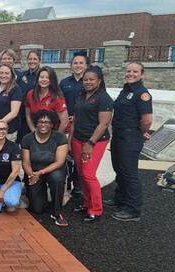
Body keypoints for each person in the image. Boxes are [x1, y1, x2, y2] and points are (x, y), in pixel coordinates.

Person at [103, 62, 153, 222]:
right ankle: (121, 198)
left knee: (130, 173)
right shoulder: (126, 90)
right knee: (119, 168)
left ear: (142, 75)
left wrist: (140, 132)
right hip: (119, 136)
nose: (131, 74)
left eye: (135, 71)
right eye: (128, 71)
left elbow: (147, 119)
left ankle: (133, 209)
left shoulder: (142, 93)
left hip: (130, 137)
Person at [69, 66, 113, 223]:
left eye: (91, 79)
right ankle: (86, 203)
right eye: (85, 79)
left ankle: (96, 209)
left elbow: (104, 124)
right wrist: (70, 141)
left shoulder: (104, 98)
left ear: (99, 81)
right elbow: (75, 120)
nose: (87, 82)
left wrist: (90, 143)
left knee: (88, 174)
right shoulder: (82, 95)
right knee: (81, 174)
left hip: (94, 142)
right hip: (77, 139)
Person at [21, 110, 69, 227]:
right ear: (36, 123)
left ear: (52, 124)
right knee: (37, 208)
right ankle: (34, 192)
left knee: (57, 178)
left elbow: (60, 162)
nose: (43, 124)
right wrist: (31, 175)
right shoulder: (28, 138)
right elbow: (25, 161)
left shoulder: (59, 137)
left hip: (53, 170)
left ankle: (57, 213)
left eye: (47, 122)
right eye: (41, 122)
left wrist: (41, 172)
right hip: (34, 172)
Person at [60, 51, 90, 197]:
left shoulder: (90, 82)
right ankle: (67, 182)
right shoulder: (64, 83)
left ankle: (78, 185)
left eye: (81, 63)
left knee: (79, 156)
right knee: (66, 154)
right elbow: (59, 102)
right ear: (71, 65)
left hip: (83, 125)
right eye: (75, 63)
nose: (78, 65)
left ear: (86, 65)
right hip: (66, 123)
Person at [24, 66, 69, 133]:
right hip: (37, 133)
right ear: (37, 79)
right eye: (41, 77)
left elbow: (64, 122)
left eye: (48, 78)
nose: (44, 79)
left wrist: (55, 139)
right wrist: (34, 133)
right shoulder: (30, 94)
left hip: (54, 133)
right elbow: (28, 116)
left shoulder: (57, 97)